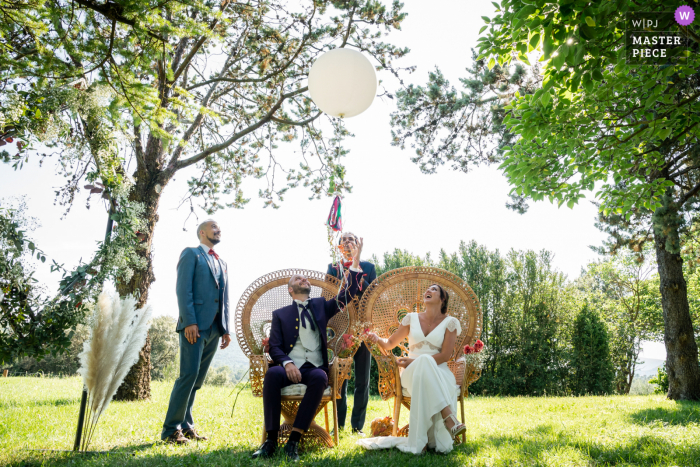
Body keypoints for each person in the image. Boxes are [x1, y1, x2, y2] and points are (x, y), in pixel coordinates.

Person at [252, 240, 364, 462]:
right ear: (291, 289)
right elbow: (274, 346)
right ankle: (271, 442)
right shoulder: (280, 314)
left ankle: (293, 441)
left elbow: (348, 294)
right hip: (288, 367)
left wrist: (356, 261)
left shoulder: (322, 305)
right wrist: (287, 363)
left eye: (305, 278)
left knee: (320, 378)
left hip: (314, 367)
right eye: (298, 279)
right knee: (272, 375)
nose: (304, 279)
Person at [359, 284, 466, 454]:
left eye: (434, 290)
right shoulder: (411, 319)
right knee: (421, 361)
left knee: (423, 360)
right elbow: (390, 344)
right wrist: (377, 338)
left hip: (440, 372)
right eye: (427, 289)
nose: (428, 291)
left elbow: (445, 355)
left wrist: (416, 361)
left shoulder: (450, 323)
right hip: (410, 374)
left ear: (443, 299)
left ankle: (420, 441)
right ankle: (449, 417)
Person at [161, 220, 232, 445]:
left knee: (198, 380)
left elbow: (225, 297)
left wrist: (225, 328)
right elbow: (183, 289)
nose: (218, 229)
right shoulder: (191, 254)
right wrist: (189, 321)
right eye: (214, 227)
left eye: (219, 227)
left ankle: (186, 425)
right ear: (202, 232)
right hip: (194, 327)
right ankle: (171, 430)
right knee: (188, 376)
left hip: (214, 328)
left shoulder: (223, 262)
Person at [326, 232, 376, 436]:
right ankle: (340, 424)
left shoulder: (369, 268)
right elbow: (329, 294)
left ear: (358, 245)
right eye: (343, 240)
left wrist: (356, 278)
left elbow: (373, 295)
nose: (347, 242)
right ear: (339, 247)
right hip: (341, 329)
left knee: (363, 379)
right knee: (340, 378)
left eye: (351, 240)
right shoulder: (333, 268)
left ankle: (357, 427)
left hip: (363, 329)